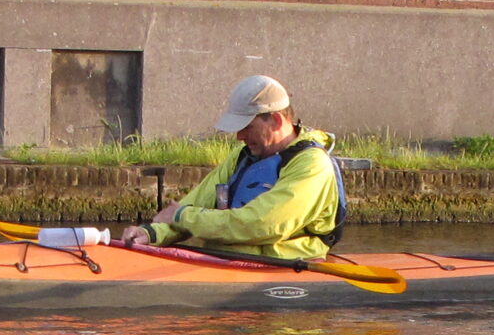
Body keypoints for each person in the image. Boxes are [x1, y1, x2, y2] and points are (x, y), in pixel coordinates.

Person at [115, 75, 345, 262]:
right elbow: (194, 204)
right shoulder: (243, 156)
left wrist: (182, 216)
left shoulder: (313, 165)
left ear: (275, 120)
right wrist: (152, 233)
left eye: (246, 126)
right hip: (226, 260)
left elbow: (262, 225)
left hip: (282, 267)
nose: (239, 136)